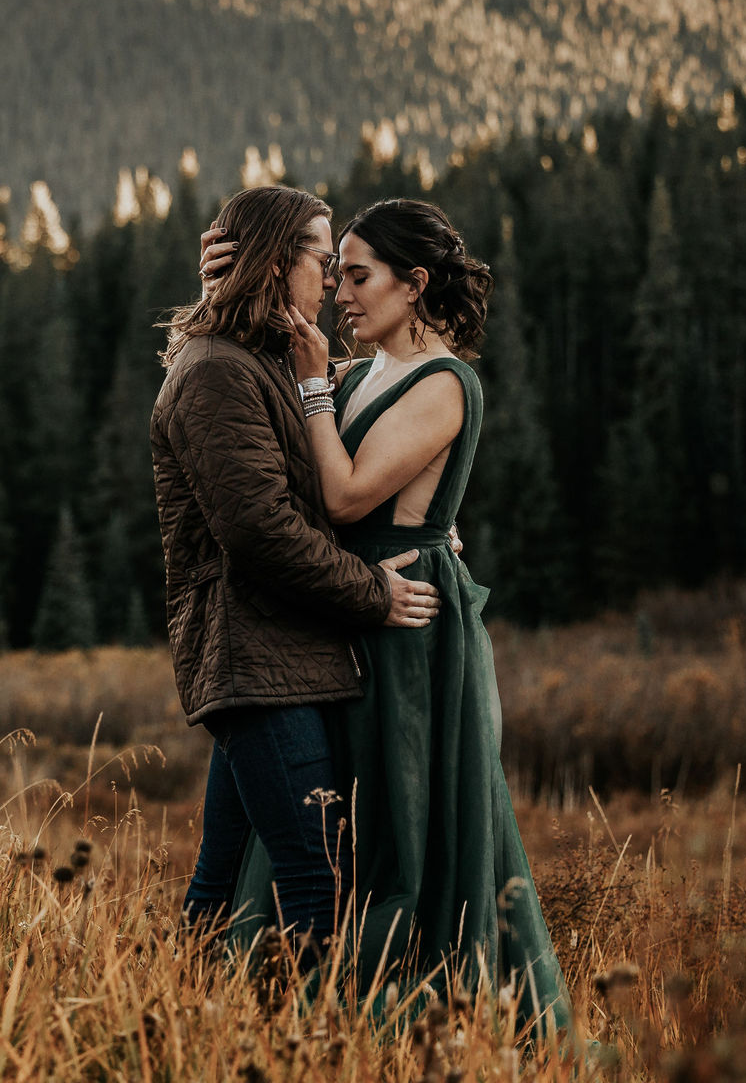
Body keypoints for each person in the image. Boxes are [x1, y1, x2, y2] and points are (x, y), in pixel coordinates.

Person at [201, 198, 572, 1033]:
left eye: (360, 277)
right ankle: (292, 1015)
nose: (341, 293)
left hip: (407, 636)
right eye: (336, 274)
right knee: (326, 829)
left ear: (416, 284)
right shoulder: (362, 373)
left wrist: (311, 384)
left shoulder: (446, 382)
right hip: (344, 611)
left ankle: (408, 1020)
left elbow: (342, 492)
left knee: (400, 831)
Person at [150, 185, 442, 973]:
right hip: (257, 666)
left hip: (279, 661)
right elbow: (262, 534)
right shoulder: (215, 374)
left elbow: (347, 404)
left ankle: (175, 1032)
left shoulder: (265, 360)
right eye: (322, 262)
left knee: (219, 890)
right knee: (318, 882)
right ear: (280, 265)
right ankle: (309, 1060)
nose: (335, 284)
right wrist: (374, 592)